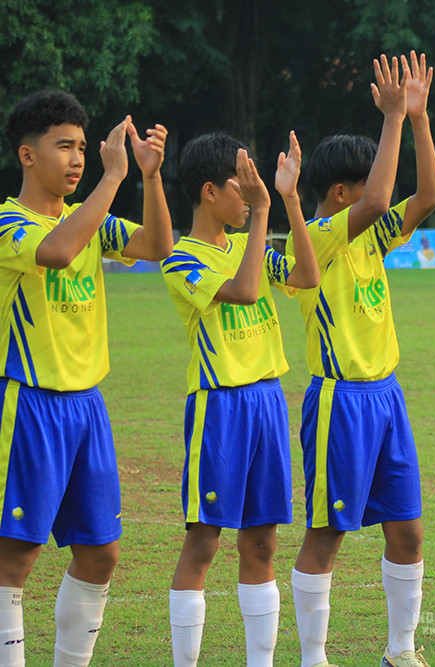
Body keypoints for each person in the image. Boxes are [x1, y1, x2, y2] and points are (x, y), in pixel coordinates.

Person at [0, 90, 172, 666]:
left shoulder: (91, 220)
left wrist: (147, 177)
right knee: (14, 557)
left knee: (101, 552)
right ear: (27, 154)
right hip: (29, 405)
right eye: (64, 147)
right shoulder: (8, 223)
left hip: (87, 409)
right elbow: (54, 252)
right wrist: (110, 179)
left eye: (81, 148)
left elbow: (157, 246)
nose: (77, 159)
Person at [287, 52, 435, 667]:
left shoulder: (372, 237)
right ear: (339, 194)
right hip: (339, 401)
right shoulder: (317, 240)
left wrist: (421, 118)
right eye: (366, 182)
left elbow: (426, 195)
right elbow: (379, 200)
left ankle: (401, 652)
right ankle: (313, 657)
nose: (378, 188)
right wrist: (393, 118)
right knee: (326, 534)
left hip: (386, 397)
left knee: (407, 531)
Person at [160, 131, 319, 666]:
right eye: (241, 185)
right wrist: (260, 213)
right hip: (220, 407)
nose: (249, 194)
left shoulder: (251, 243)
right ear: (209, 192)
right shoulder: (182, 259)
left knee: (262, 542)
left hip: (269, 403)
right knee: (204, 542)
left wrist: (289, 201)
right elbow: (247, 290)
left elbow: (307, 275)